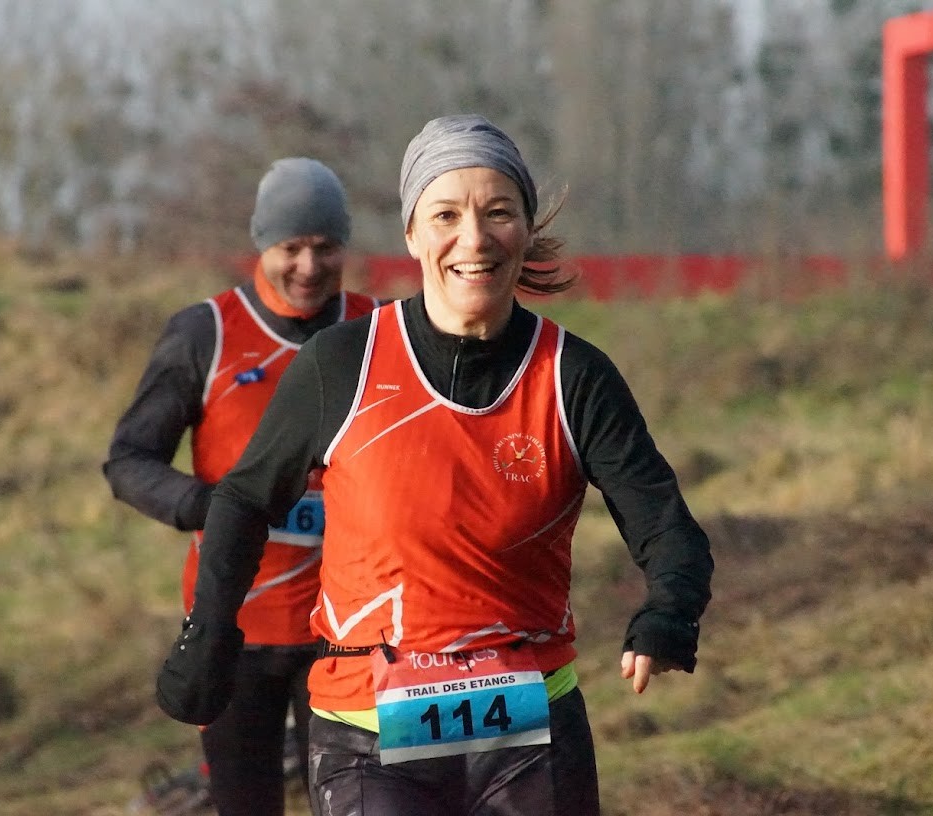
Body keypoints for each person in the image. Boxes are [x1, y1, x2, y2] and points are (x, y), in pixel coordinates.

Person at [155, 115, 714, 816]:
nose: (474, 238)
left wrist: (670, 612)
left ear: (527, 230)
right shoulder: (341, 365)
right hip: (369, 738)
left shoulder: (574, 376)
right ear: (414, 235)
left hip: (531, 730)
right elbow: (244, 500)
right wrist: (210, 635)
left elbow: (665, 523)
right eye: (446, 214)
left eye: (499, 212)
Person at [104, 157, 379, 816]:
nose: (309, 267)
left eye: (326, 248)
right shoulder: (206, 333)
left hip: (352, 630)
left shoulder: (379, 331)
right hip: (236, 626)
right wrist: (215, 507)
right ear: (262, 244)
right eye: (291, 248)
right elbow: (127, 460)